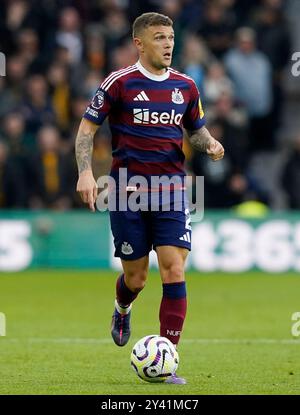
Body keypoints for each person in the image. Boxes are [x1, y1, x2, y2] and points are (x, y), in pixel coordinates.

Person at [75, 12, 224, 384]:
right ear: (139, 43)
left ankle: (168, 359)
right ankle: (122, 307)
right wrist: (85, 173)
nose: (168, 44)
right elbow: (86, 130)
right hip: (128, 193)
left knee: (174, 269)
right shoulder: (118, 83)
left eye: (171, 37)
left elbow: (197, 131)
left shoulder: (187, 86)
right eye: (159, 38)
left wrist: (212, 144)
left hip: (172, 190)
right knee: (137, 278)